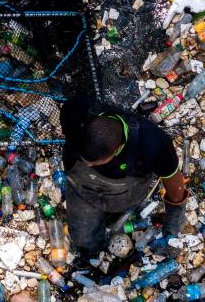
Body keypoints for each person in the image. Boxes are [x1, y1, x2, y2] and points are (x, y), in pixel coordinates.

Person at [60, 95, 188, 261]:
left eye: (94, 163)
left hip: (126, 188)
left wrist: (174, 221)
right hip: (81, 185)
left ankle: (114, 214)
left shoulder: (153, 143)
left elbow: (174, 182)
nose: (88, 165)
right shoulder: (76, 110)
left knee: (120, 209)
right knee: (84, 239)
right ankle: (92, 254)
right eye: (84, 159)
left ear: (117, 148)